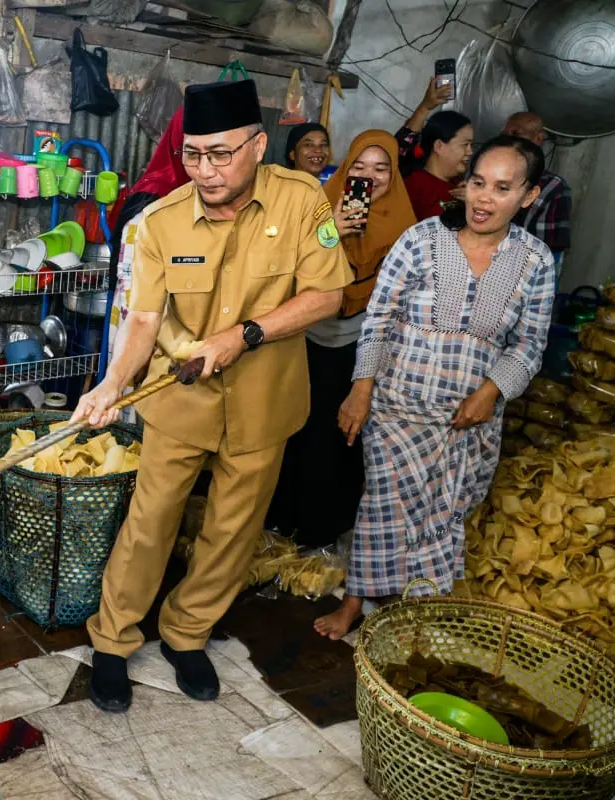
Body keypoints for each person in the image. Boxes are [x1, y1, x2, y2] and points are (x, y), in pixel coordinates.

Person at [73, 79, 352, 712]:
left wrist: (243, 335)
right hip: (179, 400)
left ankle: (186, 633)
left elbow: (326, 296)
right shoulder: (162, 223)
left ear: (258, 146)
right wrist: (111, 386)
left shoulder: (302, 201)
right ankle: (113, 643)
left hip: (266, 402)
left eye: (221, 153)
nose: (206, 169)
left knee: (232, 531)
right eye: (194, 154)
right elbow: (141, 321)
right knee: (150, 523)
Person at [315, 136, 557, 640]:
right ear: (464, 184)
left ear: (528, 197)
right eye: (478, 183)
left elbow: (530, 344)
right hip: (399, 408)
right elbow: (379, 320)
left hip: (468, 422)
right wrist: (360, 391)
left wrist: (491, 392)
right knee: (381, 507)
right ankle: (354, 602)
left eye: (502, 188)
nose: (485, 199)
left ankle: (416, 618)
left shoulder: (535, 261)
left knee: (442, 520)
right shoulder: (421, 240)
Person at [267, 130, 416, 548]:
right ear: (346, 169)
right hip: (305, 335)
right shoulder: (317, 207)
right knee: (294, 427)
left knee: (337, 438)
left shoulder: (408, 228)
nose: (369, 177)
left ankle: (320, 528)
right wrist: (330, 227)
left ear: (394, 173)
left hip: (361, 344)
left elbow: (402, 300)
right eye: (359, 167)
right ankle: (278, 521)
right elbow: (292, 267)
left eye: (381, 168)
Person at [106, 107, 190, 422]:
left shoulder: (207, 199)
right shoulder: (152, 206)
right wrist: (137, 358)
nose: (205, 165)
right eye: (192, 150)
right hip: (146, 338)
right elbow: (133, 303)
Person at [394, 79, 473, 220]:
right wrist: (425, 107)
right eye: (465, 145)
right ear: (439, 146)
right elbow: (400, 149)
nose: (470, 152)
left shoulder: (461, 186)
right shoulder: (414, 184)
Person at [503, 111, 572, 263]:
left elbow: (549, 256)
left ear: (539, 138)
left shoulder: (553, 188)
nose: (508, 141)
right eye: (504, 135)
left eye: (516, 134)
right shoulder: (487, 175)